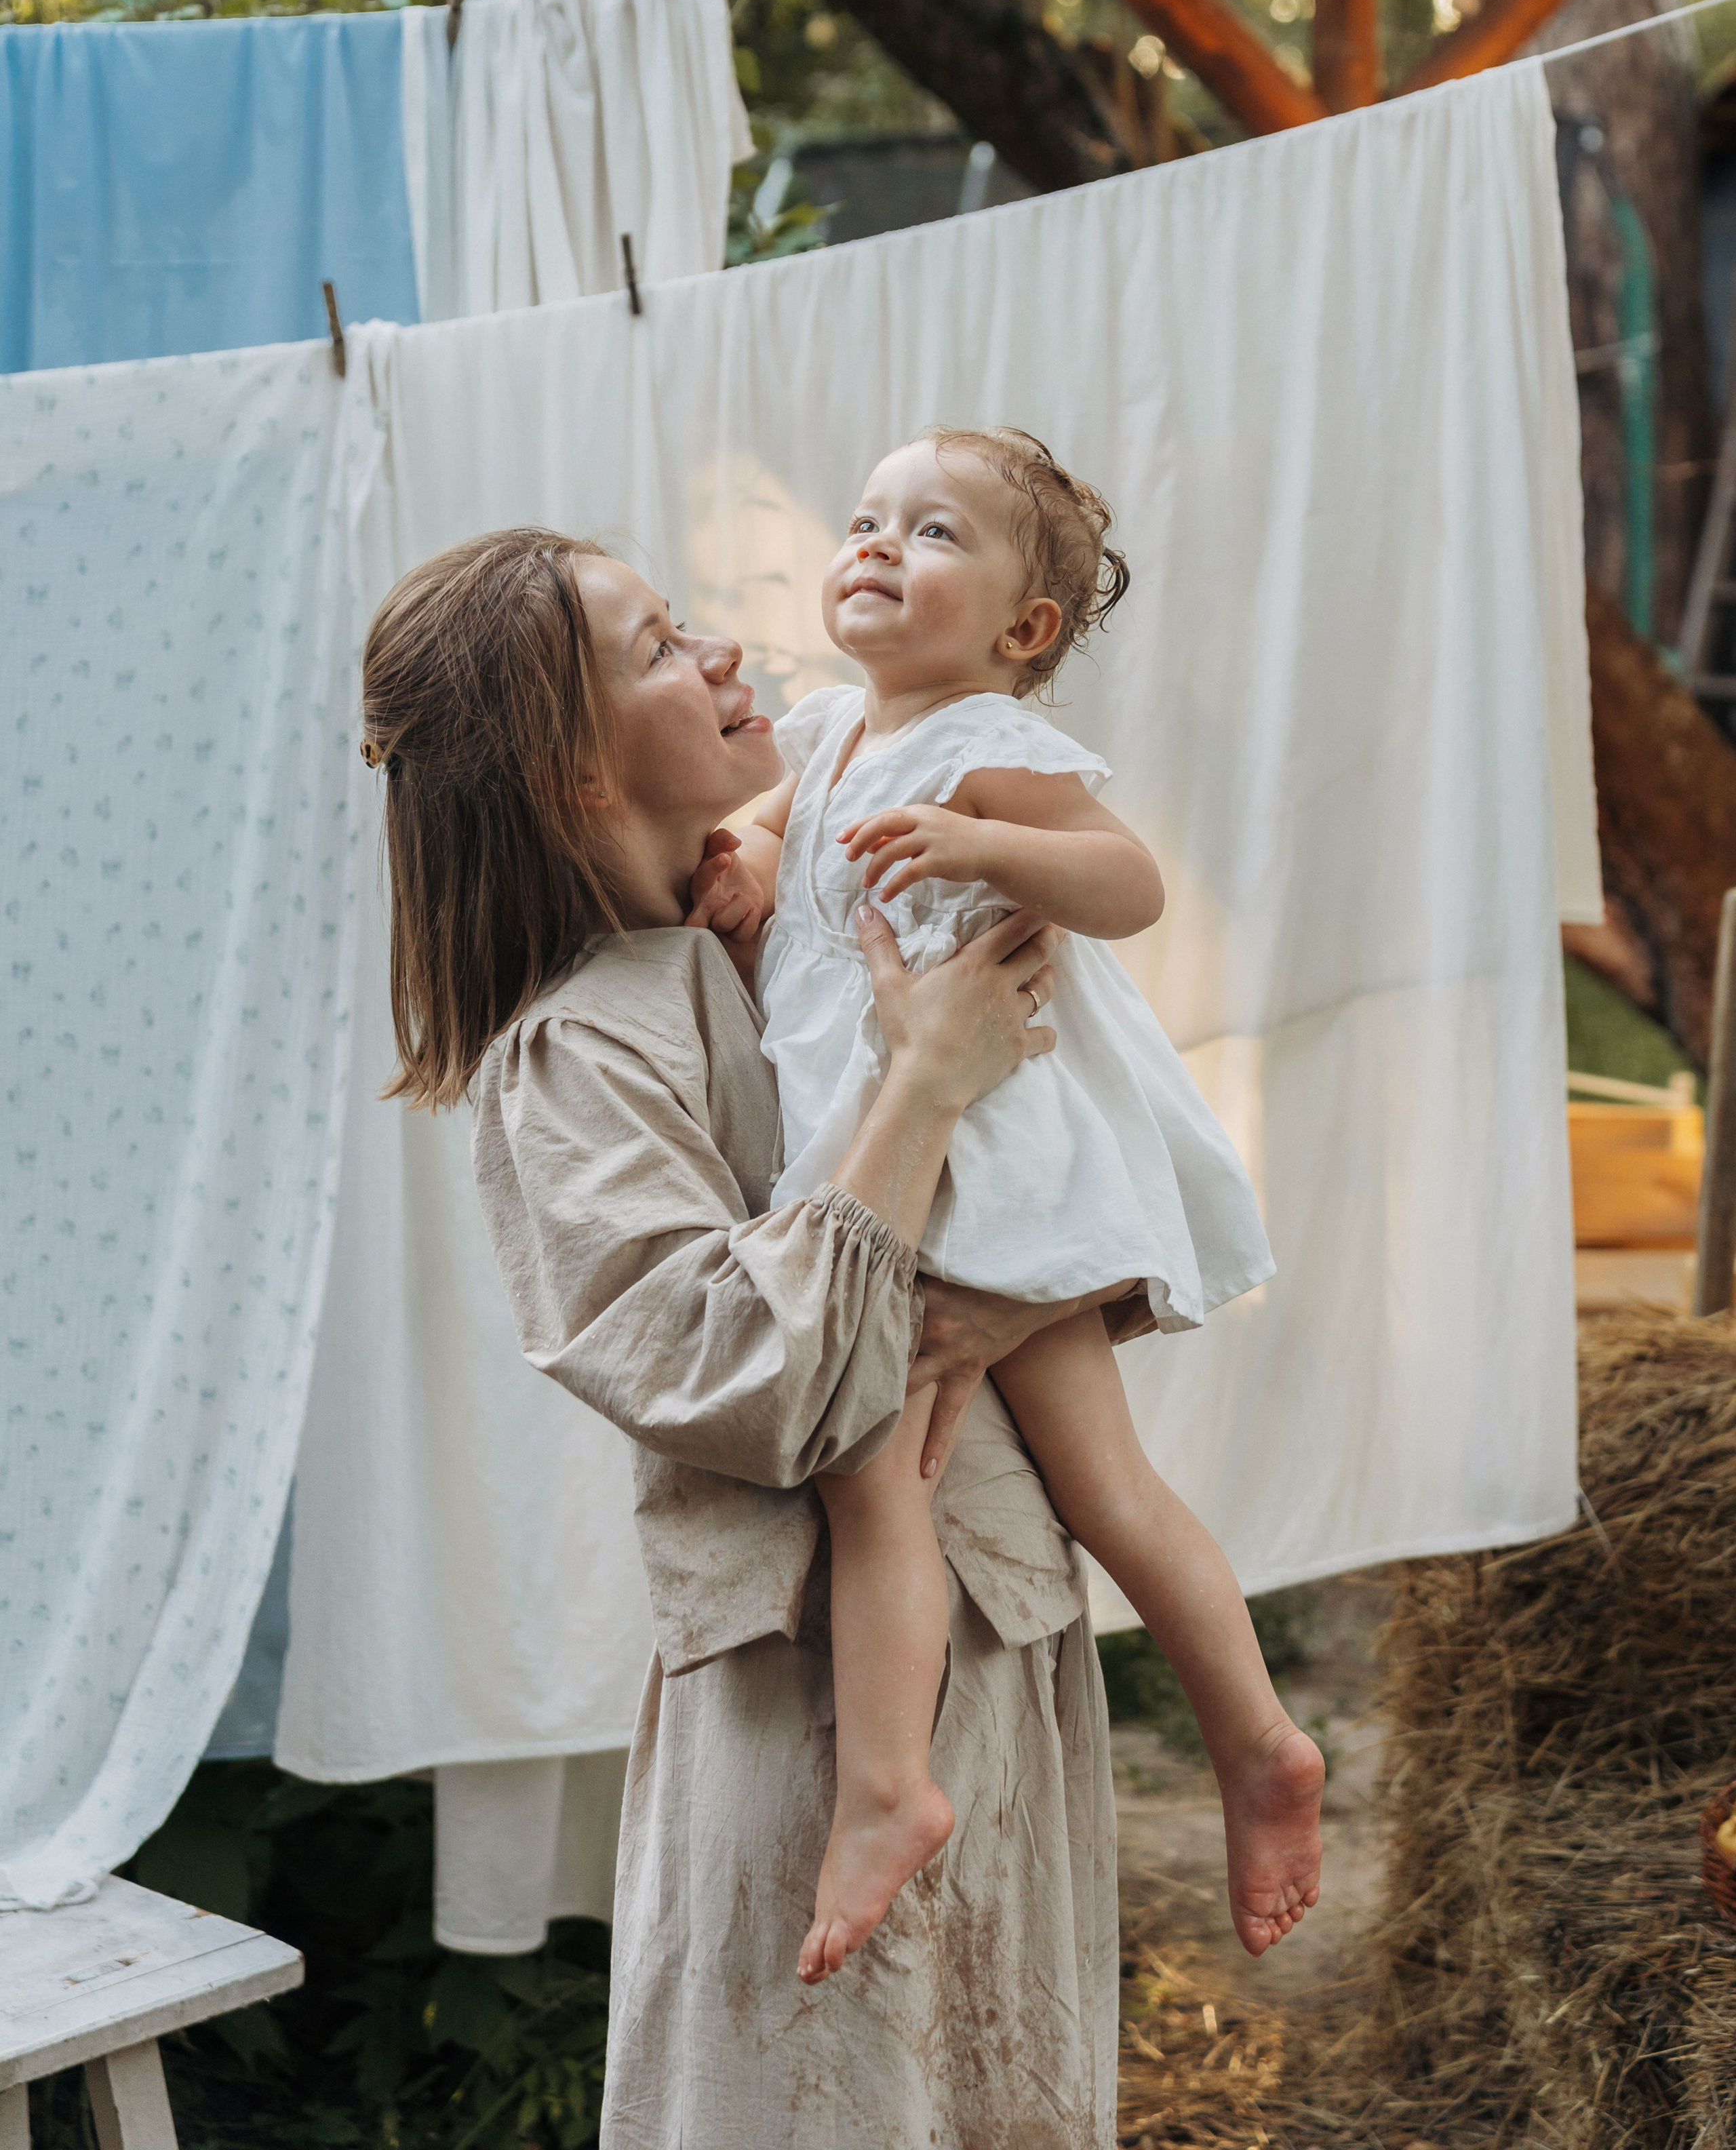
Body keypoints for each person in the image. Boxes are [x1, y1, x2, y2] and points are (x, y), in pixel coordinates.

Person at [359, 524, 1151, 2150]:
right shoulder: (572, 1047)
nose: (724, 657)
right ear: (571, 773)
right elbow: (744, 1373)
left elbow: (1064, 1194)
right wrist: (923, 1087)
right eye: (658, 647)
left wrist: (1004, 1280)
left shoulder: (803, 924)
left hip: (997, 1640)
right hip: (808, 1719)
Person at [688, 429, 1324, 1983]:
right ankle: (1241, 1744)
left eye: (932, 532)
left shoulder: (980, 741)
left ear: (1021, 631)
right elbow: (776, 840)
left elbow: (1126, 885)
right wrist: (739, 865)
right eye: (862, 518)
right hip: (890, 1162)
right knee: (996, 1477)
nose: (875, 546)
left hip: (981, 1172)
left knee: (926, 1473)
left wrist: (986, 843)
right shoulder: (832, 725)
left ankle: (915, 1786)